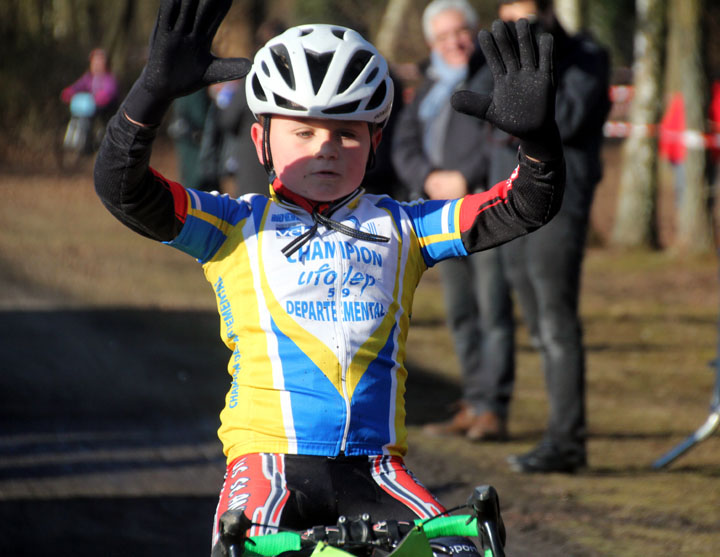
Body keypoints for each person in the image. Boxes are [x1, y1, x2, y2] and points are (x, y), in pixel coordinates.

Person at [92, 0, 565, 552]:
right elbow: (122, 189)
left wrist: (538, 141)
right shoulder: (233, 225)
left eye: (347, 134)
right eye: (303, 132)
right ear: (261, 141)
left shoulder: (404, 227)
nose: (325, 150)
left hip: (378, 469)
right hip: (269, 464)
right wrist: (150, 93)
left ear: (374, 143)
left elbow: (526, 204)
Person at [489, 0, 611, 473]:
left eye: (525, 18)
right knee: (539, 327)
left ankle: (567, 441)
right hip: (517, 199)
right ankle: (558, 435)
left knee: (556, 324)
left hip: (561, 199)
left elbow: (571, 114)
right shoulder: (504, 54)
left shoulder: (584, 56)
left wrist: (540, 64)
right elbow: (489, 105)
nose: (516, 25)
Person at [392, 0, 514, 441]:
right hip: (440, 215)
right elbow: (403, 143)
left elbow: (498, 139)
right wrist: (429, 177)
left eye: (460, 33)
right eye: (443, 37)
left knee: (492, 310)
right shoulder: (427, 86)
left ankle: (492, 409)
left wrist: (464, 176)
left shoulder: (493, 78)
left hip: (484, 209)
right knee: (461, 313)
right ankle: (472, 401)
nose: (454, 43)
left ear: (474, 31)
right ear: (431, 43)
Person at [61, 48, 119, 120]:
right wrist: (70, 91)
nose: (96, 65)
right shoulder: (89, 78)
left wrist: (103, 96)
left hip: (105, 111)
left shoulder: (108, 78)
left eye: (99, 62)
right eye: (94, 62)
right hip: (90, 107)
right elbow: (79, 86)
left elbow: (110, 89)